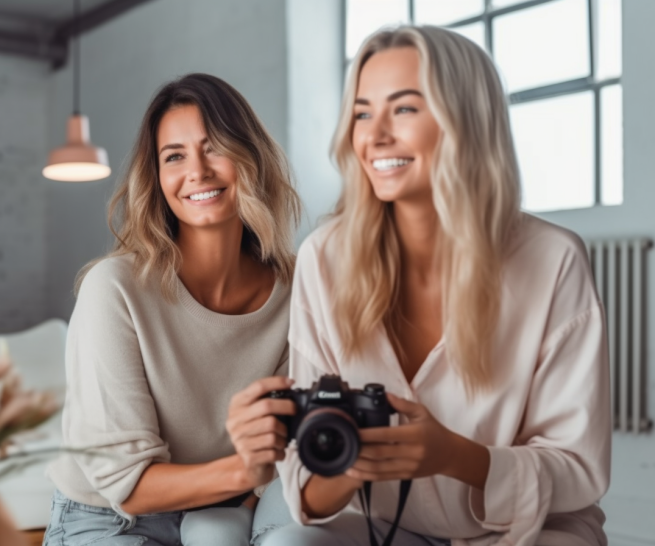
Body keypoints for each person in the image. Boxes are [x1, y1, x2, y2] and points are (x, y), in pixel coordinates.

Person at [228, 26, 611, 546]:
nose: (375, 135)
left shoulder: (553, 260)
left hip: (529, 530)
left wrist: (456, 456)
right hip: (390, 528)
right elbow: (309, 499)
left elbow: (579, 470)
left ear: (466, 121)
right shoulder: (325, 257)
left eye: (404, 109)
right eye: (362, 113)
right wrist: (289, 446)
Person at [43, 73, 301, 546]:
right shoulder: (114, 288)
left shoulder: (295, 293)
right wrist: (246, 470)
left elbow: (282, 446)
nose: (197, 171)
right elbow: (129, 484)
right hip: (108, 518)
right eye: (175, 156)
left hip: (221, 511)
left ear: (251, 158)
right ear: (158, 178)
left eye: (214, 147)